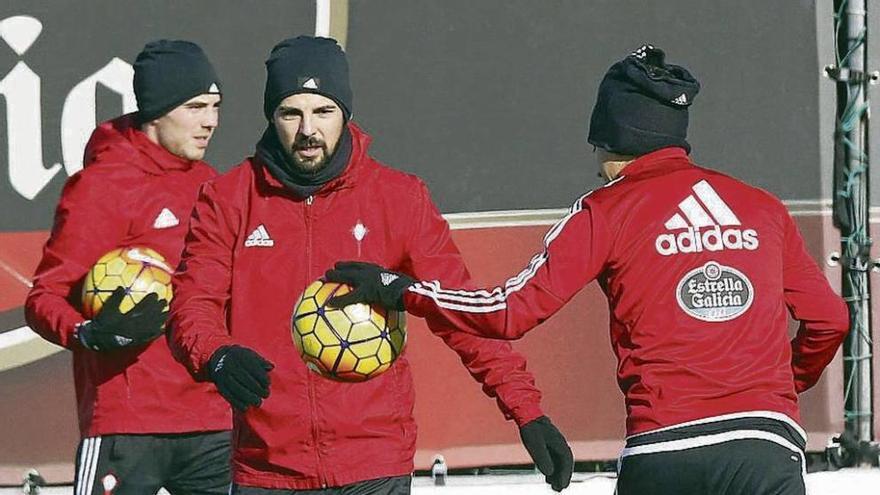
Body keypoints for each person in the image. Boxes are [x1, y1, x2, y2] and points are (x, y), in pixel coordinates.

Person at [324, 45, 851, 495]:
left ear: (610, 139)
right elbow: (831, 319)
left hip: (666, 448)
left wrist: (400, 289)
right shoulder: (761, 207)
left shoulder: (605, 209)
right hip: (766, 447)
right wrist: (779, 387)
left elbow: (508, 312)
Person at [168, 35, 572, 494]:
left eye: (323, 111)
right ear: (270, 116)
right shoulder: (230, 198)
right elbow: (191, 305)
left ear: (346, 113)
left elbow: (459, 314)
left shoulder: (397, 197)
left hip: (373, 465)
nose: (307, 130)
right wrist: (216, 355)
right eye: (290, 113)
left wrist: (527, 412)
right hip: (267, 468)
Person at [25, 40, 230, 494]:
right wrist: (86, 333)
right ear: (156, 111)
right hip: (127, 423)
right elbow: (43, 298)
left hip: (212, 420)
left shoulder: (216, 187)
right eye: (196, 107)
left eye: (215, 106)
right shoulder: (102, 187)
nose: (210, 121)